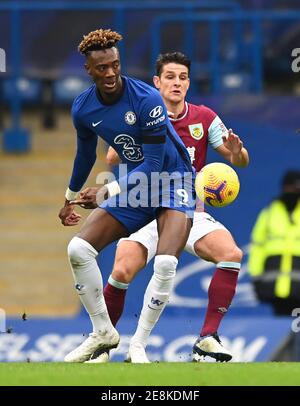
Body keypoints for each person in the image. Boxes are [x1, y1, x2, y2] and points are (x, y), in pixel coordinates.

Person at [94, 52, 249, 363]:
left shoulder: (205, 118)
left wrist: (236, 151)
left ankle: (207, 338)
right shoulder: (142, 113)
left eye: (182, 78)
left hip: (187, 210)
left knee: (231, 255)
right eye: (170, 77)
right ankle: (103, 345)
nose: (176, 83)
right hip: (146, 209)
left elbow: (239, 160)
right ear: (157, 82)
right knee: (122, 271)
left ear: (188, 83)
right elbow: (112, 158)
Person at [58, 31, 195, 363]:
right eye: (101, 67)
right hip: (140, 186)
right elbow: (85, 155)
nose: (109, 73)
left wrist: (107, 189)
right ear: (88, 69)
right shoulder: (84, 107)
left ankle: (138, 347)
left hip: (173, 180)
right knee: (78, 249)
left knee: (164, 262)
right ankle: (103, 332)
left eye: (115, 65)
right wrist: (70, 197)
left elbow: (153, 163)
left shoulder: (147, 99)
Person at [248, 170, 300, 316]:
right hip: (275, 287)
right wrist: (256, 277)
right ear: (283, 188)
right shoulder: (269, 212)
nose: (293, 191)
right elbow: (257, 248)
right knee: (281, 326)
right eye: (290, 187)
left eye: (296, 188)